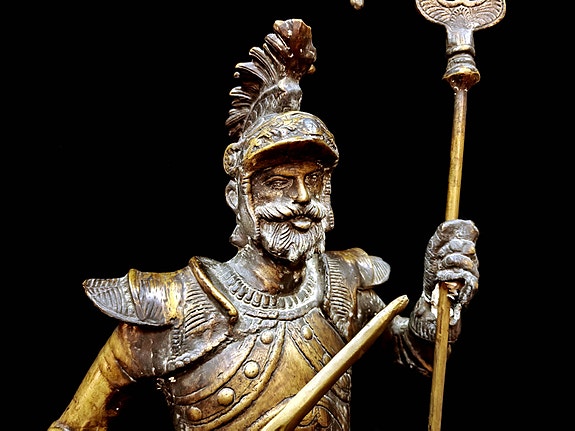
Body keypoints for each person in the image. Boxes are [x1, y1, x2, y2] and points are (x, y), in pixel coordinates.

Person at [49, 18, 479, 431]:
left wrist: (437, 297)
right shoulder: (175, 306)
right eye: (278, 183)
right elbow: (76, 424)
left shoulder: (340, 287)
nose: (303, 198)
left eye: (313, 180)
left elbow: (418, 354)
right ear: (239, 198)